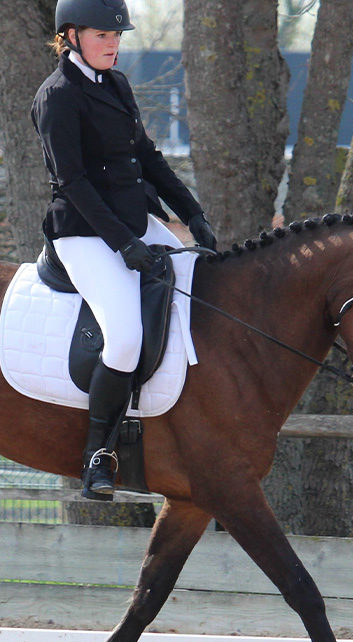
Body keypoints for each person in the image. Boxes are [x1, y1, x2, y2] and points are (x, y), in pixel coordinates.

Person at [32, 0, 217, 500]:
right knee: (126, 339)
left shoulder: (115, 84)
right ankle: (98, 455)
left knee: (209, 285)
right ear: (70, 36)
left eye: (117, 37)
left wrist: (191, 213)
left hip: (136, 222)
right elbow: (73, 182)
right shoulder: (57, 97)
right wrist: (125, 244)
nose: (113, 44)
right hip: (85, 234)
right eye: (102, 36)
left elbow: (148, 159)